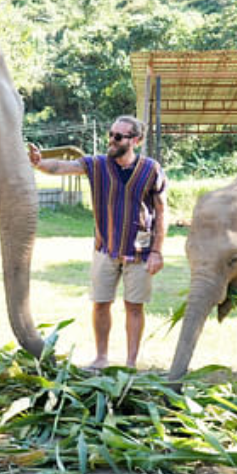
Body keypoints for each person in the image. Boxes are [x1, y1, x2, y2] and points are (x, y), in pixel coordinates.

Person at [28, 115, 167, 370]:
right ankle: (101, 357)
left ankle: (130, 362)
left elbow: (161, 212)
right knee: (101, 303)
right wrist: (39, 163)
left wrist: (157, 251)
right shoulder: (97, 165)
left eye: (118, 136)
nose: (111, 140)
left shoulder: (151, 169)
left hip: (140, 251)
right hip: (106, 248)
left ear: (136, 140)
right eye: (110, 134)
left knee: (134, 307)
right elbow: (61, 167)